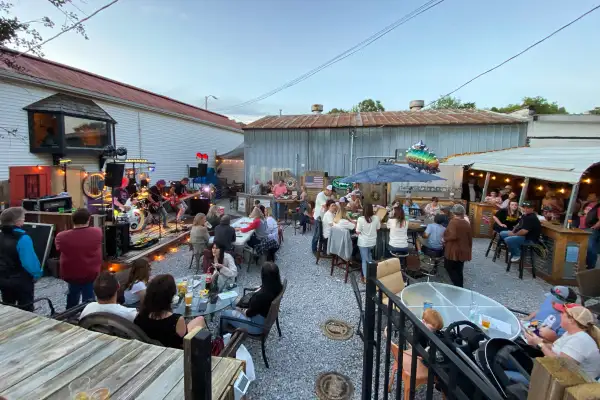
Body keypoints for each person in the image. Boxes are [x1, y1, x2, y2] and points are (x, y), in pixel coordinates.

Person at [521, 305, 600, 381]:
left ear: (571, 320)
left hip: (565, 384)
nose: (560, 315)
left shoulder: (580, 340)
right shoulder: (571, 333)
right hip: (556, 375)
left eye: (563, 313)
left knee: (513, 360)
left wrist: (540, 344)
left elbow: (561, 364)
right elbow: (556, 348)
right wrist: (537, 341)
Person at [135, 274, 206, 349]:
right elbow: (184, 342)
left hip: (153, 347)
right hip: (174, 351)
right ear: (170, 296)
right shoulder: (176, 319)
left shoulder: (140, 316)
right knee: (200, 319)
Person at [55, 208, 103, 309]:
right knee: (89, 297)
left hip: (71, 273)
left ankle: (70, 315)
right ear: (89, 219)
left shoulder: (61, 236)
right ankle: (89, 316)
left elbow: (58, 248)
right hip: (90, 272)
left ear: (72, 220)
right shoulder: (97, 232)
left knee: (72, 294)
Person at [220, 262, 283, 335]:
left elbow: (248, 314)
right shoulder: (278, 287)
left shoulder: (261, 296)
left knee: (224, 314)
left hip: (256, 326)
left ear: (263, 276)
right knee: (234, 302)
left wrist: (240, 310)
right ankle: (233, 320)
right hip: (263, 318)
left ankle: (223, 336)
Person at [0, 207, 42, 311]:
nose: (24, 220)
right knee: (26, 308)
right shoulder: (23, 238)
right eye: (23, 218)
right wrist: (37, 274)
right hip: (21, 281)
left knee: (8, 306)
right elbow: (29, 262)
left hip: (3, 278)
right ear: (17, 221)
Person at [443, 204, 472, 287]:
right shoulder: (466, 222)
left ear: (453, 213)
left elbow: (453, 236)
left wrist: (444, 239)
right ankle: (460, 286)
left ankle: (458, 286)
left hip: (454, 250)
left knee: (449, 267)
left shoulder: (453, 222)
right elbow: (469, 237)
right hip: (463, 249)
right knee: (459, 269)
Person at [356, 203, 381, 281]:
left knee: (364, 259)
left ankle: (367, 278)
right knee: (369, 256)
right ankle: (372, 274)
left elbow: (358, 232)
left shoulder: (360, 219)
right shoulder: (376, 218)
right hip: (372, 242)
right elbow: (378, 229)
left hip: (363, 242)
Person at [580, 193, 600, 269]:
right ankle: (583, 264)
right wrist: (582, 205)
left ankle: (590, 267)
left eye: (591, 196)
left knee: (590, 248)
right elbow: (581, 213)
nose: (588, 196)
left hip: (590, 229)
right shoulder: (587, 205)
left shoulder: (598, 206)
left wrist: (593, 228)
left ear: (596, 198)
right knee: (583, 247)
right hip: (582, 228)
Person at [312, 185, 333, 251]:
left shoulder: (327, 196)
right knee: (317, 234)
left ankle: (322, 249)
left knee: (322, 234)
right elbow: (325, 206)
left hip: (323, 218)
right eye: (331, 192)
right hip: (318, 217)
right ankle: (314, 249)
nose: (332, 193)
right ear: (328, 190)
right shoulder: (320, 195)